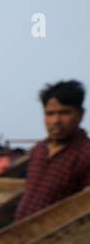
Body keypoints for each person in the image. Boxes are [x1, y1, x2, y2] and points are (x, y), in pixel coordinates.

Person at [16, 80, 90, 219]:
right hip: (22, 234)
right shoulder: (38, 150)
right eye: (50, 113)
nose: (56, 120)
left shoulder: (85, 154)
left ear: (81, 114)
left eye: (64, 113)